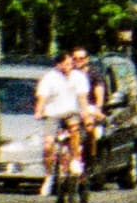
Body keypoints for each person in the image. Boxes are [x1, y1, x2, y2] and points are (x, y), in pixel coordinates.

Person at [35, 47, 99, 187]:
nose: (71, 66)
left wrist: (86, 115)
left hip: (71, 112)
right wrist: (39, 111)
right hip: (53, 114)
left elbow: (82, 99)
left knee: (74, 129)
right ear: (58, 65)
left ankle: (76, 159)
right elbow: (42, 97)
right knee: (48, 145)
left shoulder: (79, 77)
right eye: (67, 63)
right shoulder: (49, 78)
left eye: (71, 63)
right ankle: (49, 176)